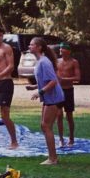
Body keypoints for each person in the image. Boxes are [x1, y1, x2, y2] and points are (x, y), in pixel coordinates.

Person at [28, 37, 63, 165]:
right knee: (44, 126)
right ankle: (51, 156)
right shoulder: (40, 62)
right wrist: (34, 87)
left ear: (39, 47)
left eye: (31, 45)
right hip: (49, 98)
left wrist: (40, 92)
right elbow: (45, 81)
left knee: (46, 126)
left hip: (53, 98)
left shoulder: (44, 62)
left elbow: (53, 81)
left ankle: (53, 159)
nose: (29, 47)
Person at [55, 43, 81, 147]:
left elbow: (78, 78)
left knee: (69, 116)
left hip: (68, 90)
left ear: (69, 51)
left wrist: (64, 79)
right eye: (60, 48)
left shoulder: (74, 62)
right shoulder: (57, 61)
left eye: (63, 48)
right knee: (58, 115)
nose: (61, 50)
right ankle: (60, 139)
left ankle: (71, 138)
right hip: (58, 90)